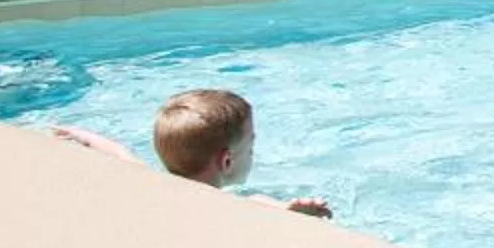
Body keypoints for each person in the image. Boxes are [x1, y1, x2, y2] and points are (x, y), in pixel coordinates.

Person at [51, 88, 331, 216]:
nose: (253, 153)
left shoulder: (148, 179)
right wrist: (291, 210)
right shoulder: (239, 204)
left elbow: (119, 153)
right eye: (251, 147)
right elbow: (264, 205)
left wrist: (82, 136)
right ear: (227, 161)